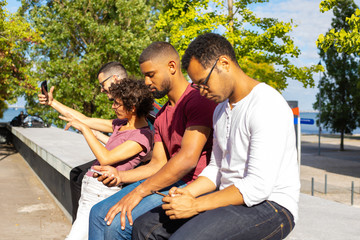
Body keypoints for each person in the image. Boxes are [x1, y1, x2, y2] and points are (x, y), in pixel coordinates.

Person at [132, 33, 300, 240]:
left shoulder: (266, 105)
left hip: (272, 206)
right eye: (196, 85)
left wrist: (195, 205)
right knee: (144, 227)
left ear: (224, 63)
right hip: (229, 196)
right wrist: (188, 193)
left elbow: (257, 187)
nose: (201, 91)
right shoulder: (220, 110)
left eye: (203, 82)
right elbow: (216, 168)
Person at [88, 42, 218, 240]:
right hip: (167, 178)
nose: (147, 82)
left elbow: (188, 159)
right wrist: (119, 176)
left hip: (190, 182)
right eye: (145, 76)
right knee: (97, 214)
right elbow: (157, 163)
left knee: (117, 225)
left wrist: (139, 192)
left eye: (151, 74)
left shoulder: (196, 100)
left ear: (172, 67)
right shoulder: (162, 114)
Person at [44, 78, 154, 240]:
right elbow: (85, 119)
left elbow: (106, 158)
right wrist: (53, 103)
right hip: (91, 189)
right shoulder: (121, 124)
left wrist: (85, 129)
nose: (113, 106)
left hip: (102, 193)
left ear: (132, 107)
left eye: (117, 103)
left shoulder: (142, 137)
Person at [38, 62, 128, 221]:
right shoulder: (122, 110)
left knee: (81, 177)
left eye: (103, 84)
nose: (101, 89)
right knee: (76, 174)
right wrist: (52, 103)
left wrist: (88, 131)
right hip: (119, 156)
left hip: (129, 166)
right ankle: (80, 224)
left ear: (114, 79)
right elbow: (86, 120)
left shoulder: (136, 105)